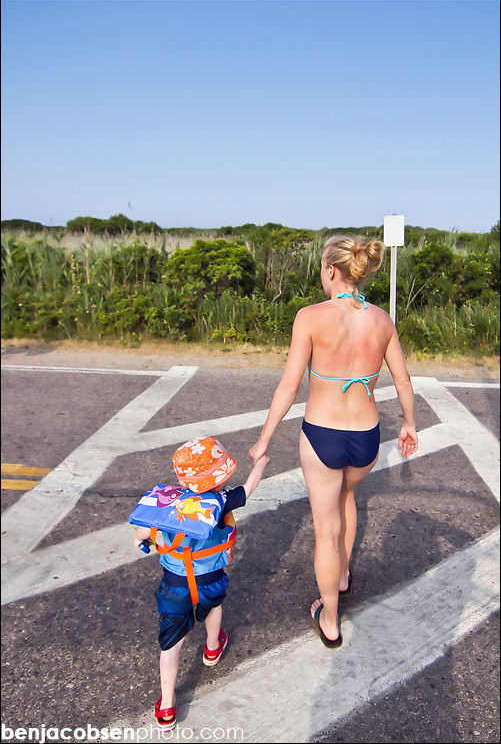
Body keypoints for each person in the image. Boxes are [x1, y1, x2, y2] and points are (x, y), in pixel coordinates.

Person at [249, 235, 418, 649]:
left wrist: (264, 438)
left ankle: (329, 618)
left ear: (330, 271)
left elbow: (290, 385)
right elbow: (402, 380)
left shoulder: (310, 317)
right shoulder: (382, 320)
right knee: (347, 497)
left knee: (326, 531)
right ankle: (341, 576)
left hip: (323, 437)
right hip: (366, 439)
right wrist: (409, 424)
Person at [133, 436, 269, 729]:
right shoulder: (221, 501)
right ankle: (212, 648)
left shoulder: (167, 502)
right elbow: (249, 487)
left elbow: (142, 535)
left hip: (175, 583)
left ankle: (167, 706)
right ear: (219, 477)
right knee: (213, 608)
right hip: (210, 577)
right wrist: (261, 463)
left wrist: (142, 541)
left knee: (171, 643)